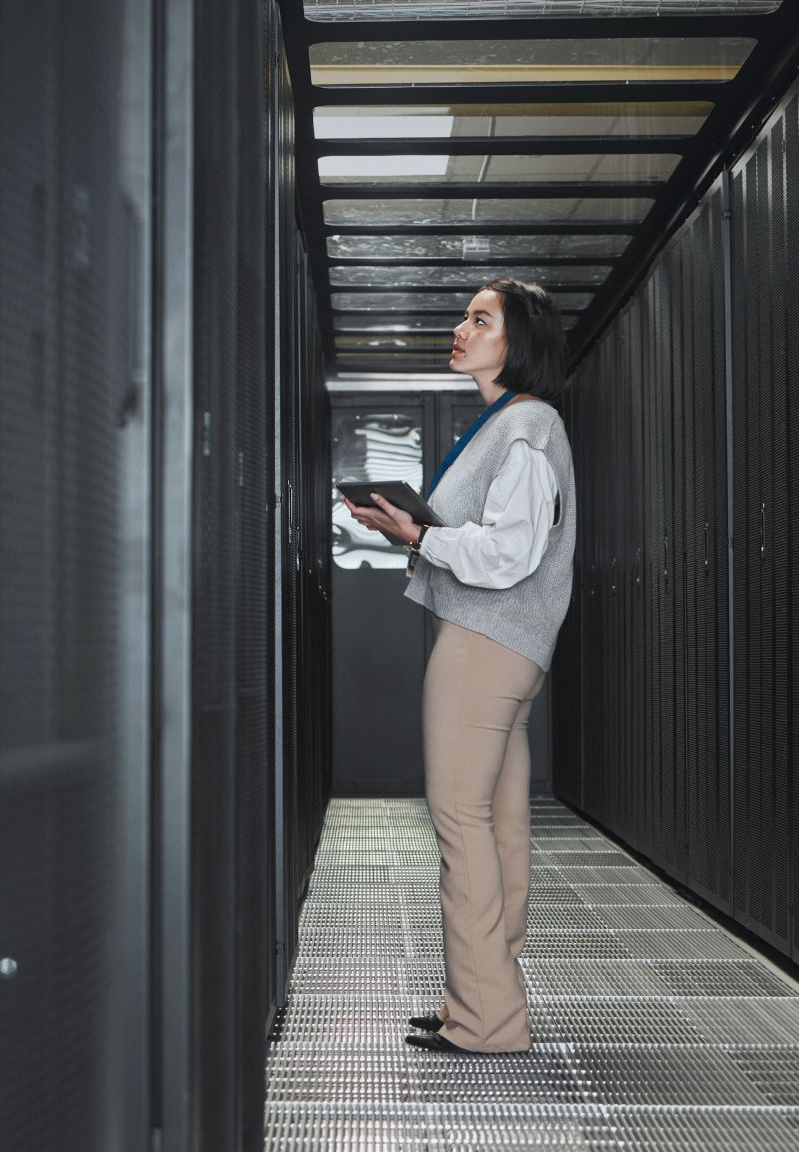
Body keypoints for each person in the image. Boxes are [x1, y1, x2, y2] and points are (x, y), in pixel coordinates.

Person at [344, 278, 576, 1054]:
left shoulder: (526, 426)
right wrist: (409, 532)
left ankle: (484, 1020)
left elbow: (510, 552)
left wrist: (419, 538)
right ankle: (483, 996)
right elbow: (487, 541)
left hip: (485, 644)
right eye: (465, 316)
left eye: (481, 319)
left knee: (459, 819)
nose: (461, 327)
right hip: (507, 644)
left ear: (519, 342)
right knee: (499, 820)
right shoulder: (512, 424)